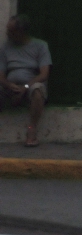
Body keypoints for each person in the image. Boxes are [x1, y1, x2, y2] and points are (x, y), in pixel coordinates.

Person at [0, 15, 51, 147]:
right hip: (10, 87)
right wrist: (8, 85)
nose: (7, 34)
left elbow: (44, 74)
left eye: (11, 31)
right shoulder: (5, 48)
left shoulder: (40, 46)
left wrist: (26, 87)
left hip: (30, 86)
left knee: (38, 90)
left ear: (21, 32)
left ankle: (31, 130)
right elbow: (1, 75)